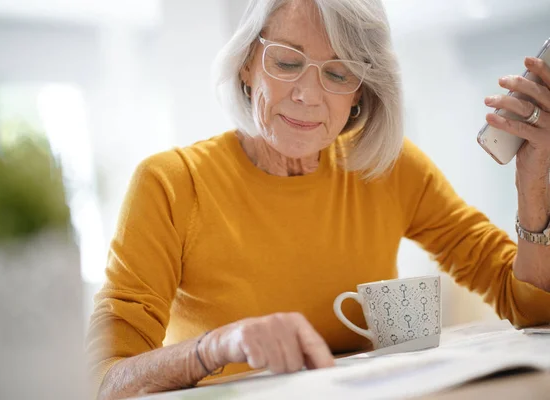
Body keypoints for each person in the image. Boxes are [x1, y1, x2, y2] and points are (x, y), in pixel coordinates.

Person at [86, 0, 550, 398]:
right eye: (287, 62)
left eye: (338, 72)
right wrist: (218, 346)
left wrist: (532, 185)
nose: (308, 95)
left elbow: (529, 306)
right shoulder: (171, 183)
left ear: (360, 93)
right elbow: (107, 381)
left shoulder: (390, 168)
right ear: (247, 63)